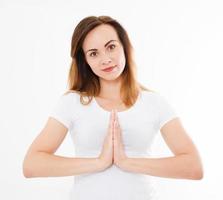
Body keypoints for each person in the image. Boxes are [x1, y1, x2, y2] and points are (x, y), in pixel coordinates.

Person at [23, 15, 203, 200]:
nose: (105, 59)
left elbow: (193, 167)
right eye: (94, 53)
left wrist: (128, 162)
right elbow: (32, 164)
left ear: (124, 47)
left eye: (111, 47)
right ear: (85, 61)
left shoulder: (154, 102)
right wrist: (99, 162)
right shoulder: (72, 103)